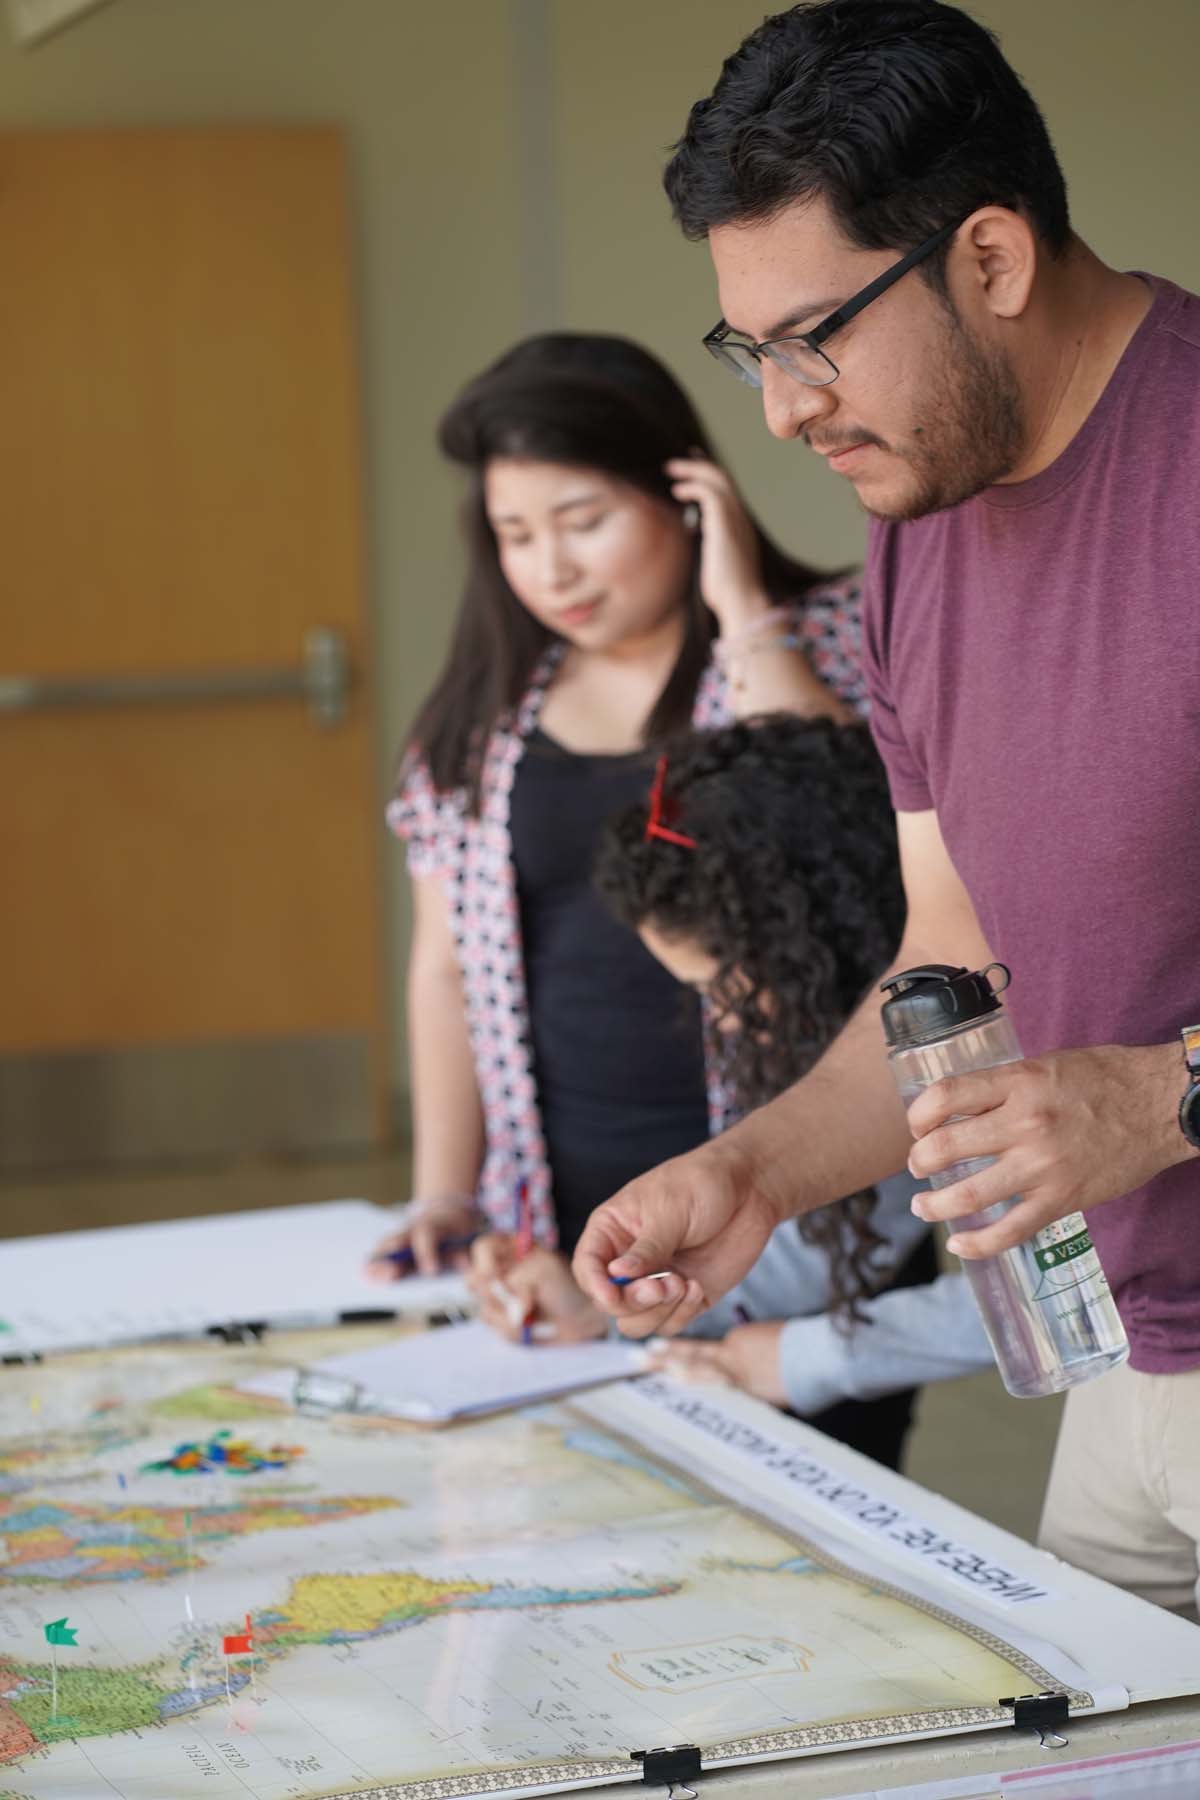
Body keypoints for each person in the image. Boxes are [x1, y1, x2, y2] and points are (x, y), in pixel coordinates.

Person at [571, 0, 1200, 1615]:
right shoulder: (919, 532)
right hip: (1134, 1375)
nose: (780, 409)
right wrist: (759, 1172)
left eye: (813, 338)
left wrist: (1161, 1099)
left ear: (989, 258)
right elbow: (951, 979)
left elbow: (1136, 1090)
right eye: (748, 349)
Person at [370, 331, 863, 1282]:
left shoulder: (825, 640)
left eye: (584, 520)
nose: (552, 569)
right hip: (552, 1230)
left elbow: (839, 823)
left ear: (685, 495)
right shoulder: (478, 718)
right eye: (517, 536)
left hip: (788, 1227)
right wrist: (445, 1194)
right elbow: (443, 973)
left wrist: (745, 612)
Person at [467, 714, 991, 1473]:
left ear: (811, 945)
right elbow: (823, 1237)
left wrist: (801, 1358)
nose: (721, 1020)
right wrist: (615, 1310)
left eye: (722, 989)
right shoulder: (830, 1030)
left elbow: (1063, 1288)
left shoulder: (971, 1034)